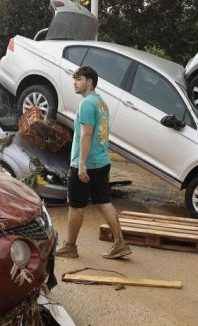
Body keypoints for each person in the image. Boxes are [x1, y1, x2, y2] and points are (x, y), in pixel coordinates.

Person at [55, 66, 131, 259]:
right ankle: (120, 242)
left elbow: (86, 135)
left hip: (87, 165)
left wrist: (81, 164)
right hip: (101, 161)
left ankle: (70, 246)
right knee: (104, 201)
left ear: (89, 81)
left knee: (75, 205)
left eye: (78, 79)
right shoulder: (101, 103)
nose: (75, 83)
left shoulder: (87, 104)